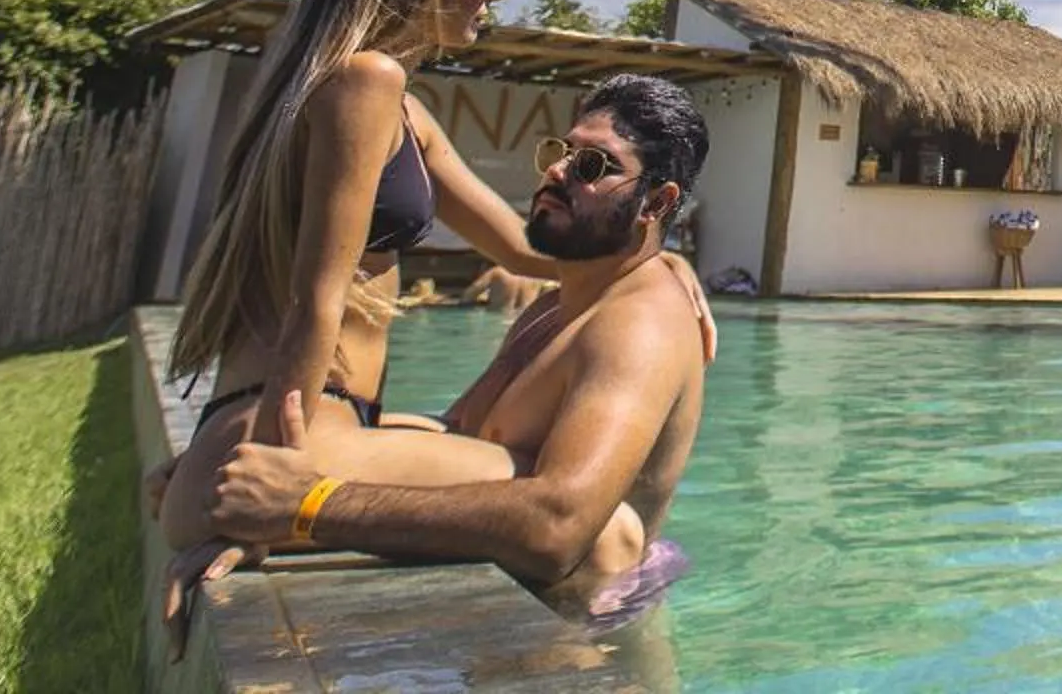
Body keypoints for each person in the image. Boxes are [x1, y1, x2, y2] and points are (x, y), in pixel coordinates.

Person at [156, 0, 707, 560]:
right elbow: (316, 299)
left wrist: (668, 259)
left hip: (294, 419)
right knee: (603, 530)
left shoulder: (390, 108)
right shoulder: (367, 80)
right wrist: (277, 493)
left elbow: (522, 248)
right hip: (300, 429)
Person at [173, 75, 712, 636]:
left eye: (593, 166)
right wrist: (232, 462)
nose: (558, 171)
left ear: (655, 201)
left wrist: (308, 506)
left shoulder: (640, 325)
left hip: (589, 640)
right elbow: (457, 437)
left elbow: (560, 528)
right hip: (509, 625)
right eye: (563, 151)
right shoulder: (552, 311)